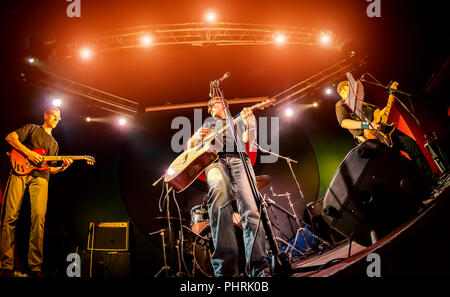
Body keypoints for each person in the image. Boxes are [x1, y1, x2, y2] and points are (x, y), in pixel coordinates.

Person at [186, 97, 270, 277]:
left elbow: (250, 141)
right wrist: (195, 138)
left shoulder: (236, 122)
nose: (218, 104)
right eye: (213, 103)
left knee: (251, 210)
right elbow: (190, 148)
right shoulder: (208, 125)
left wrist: (251, 125)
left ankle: (259, 270)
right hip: (214, 160)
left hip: (240, 159)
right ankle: (225, 273)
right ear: (210, 110)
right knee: (219, 202)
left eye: (219, 101)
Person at [0, 107, 72, 278]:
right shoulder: (32, 128)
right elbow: (10, 138)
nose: (55, 119)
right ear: (45, 115)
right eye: (53, 115)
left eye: (58, 118)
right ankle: (5, 264)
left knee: (39, 219)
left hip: (41, 178)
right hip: (19, 172)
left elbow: (49, 168)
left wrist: (61, 168)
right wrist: (29, 153)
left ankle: (35, 266)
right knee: (10, 215)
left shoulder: (55, 144)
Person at [335, 80, 438, 187]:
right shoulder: (341, 105)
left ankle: (432, 180)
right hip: (373, 139)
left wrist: (389, 102)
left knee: (412, 146)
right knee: (397, 165)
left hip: (386, 131)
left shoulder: (363, 103)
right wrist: (367, 125)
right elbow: (344, 122)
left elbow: (378, 116)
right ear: (343, 90)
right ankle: (419, 188)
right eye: (350, 87)